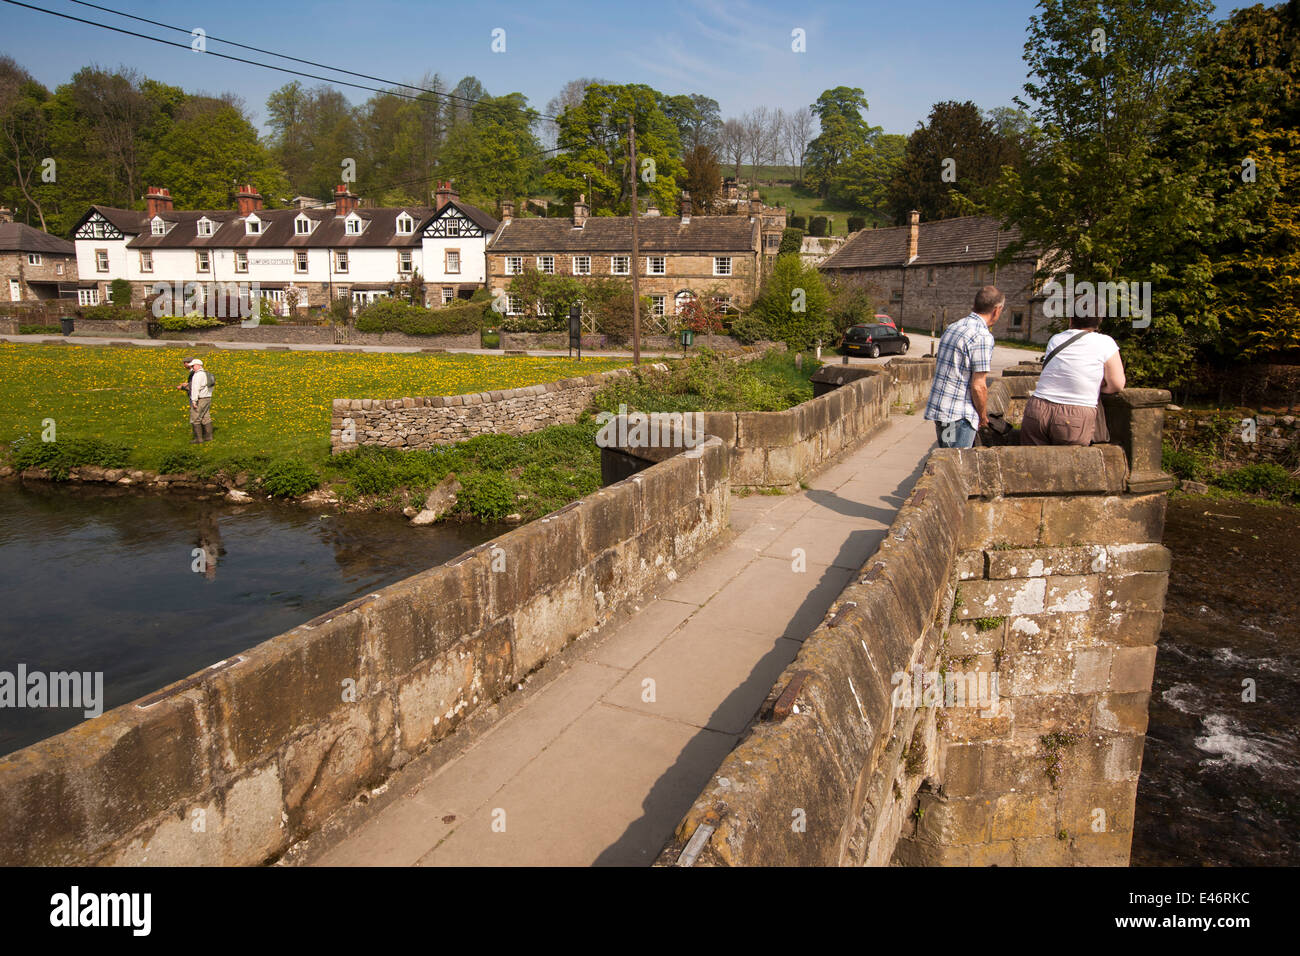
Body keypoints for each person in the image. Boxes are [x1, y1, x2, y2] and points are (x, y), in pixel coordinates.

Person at [1021, 305, 1125, 446]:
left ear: (1070, 319)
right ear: (1099, 320)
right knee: (1070, 466)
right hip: (1074, 414)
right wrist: (1097, 388)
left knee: (1033, 464)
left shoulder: (1056, 339)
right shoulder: (1105, 342)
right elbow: (1117, 384)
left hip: (1038, 407)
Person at [924, 286, 1001, 448]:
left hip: (941, 412)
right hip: (959, 416)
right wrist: (982, 416)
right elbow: (979, 386)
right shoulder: (982, 336)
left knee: (947, 455)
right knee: (958, 464)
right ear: (996, 310)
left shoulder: (953, 327)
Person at [176, 357, 215, 443]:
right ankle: (208, 437)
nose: (192, 368)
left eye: (193, 366)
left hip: (200, 399)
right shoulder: (207, 374)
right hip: (207, 397)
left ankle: (198, 439)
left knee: (195, 418)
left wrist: (194, 401)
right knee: (206, 417)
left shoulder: (197, 375)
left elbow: (195, 389)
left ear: (198, 365)